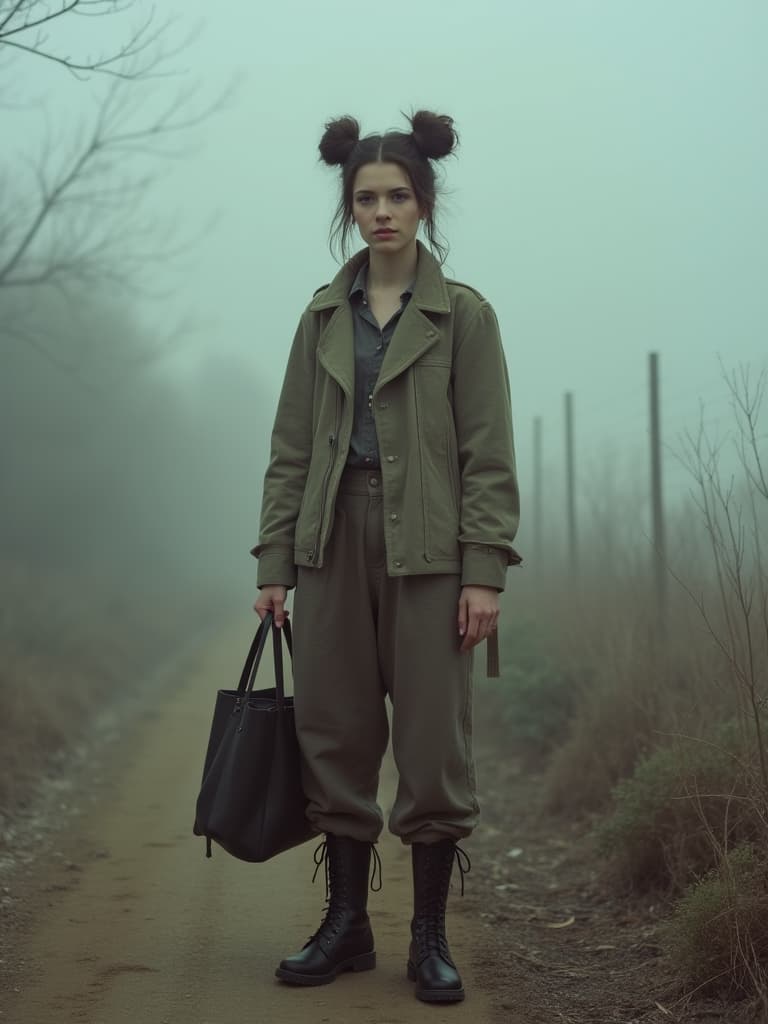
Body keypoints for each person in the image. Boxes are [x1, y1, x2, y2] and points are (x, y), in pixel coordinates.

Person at [252, 109, 522, 1004]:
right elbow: (291, 446)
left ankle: (431, 935)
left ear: (424, 202)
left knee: (434, 744)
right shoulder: (321, 316)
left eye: (397, 195)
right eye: (365, 198)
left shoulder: (465, 316)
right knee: (333, 730)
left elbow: (488, 451)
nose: (381, 212)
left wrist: (484, 570)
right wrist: (274, 566)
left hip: (433, 550)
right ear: (349, 207)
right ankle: (346, 926)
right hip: (330, 543)